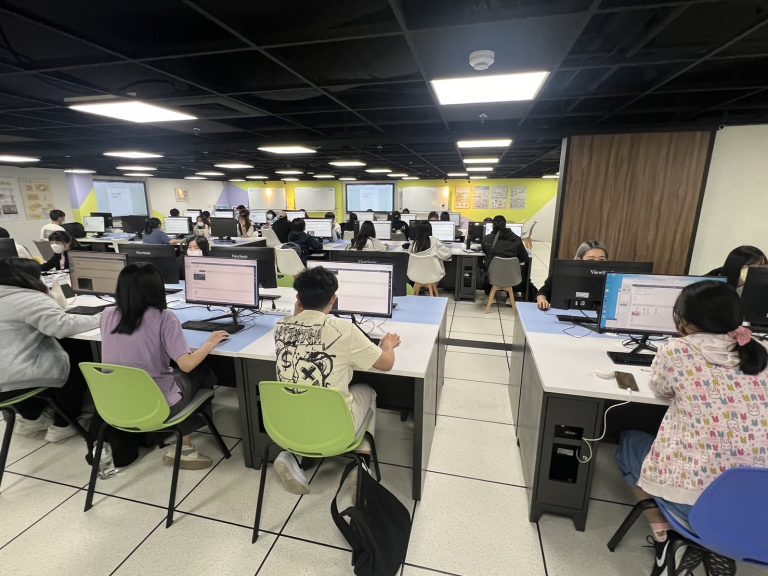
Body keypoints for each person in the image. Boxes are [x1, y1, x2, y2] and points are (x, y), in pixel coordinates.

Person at [615, 280, 768, 572]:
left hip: (700, 506)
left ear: (683, 320)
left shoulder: (676, 351)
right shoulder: (759, 350)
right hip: (759, 506)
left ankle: (664, 532)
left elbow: (662, 391)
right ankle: (717, 544)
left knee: (629, 442)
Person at [271, 266, 400, 494]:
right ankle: (361, 464)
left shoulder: (280, 326)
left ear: (298, 299)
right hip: (335, 426)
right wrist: (387, 344)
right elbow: (386, 364)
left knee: (304, 392)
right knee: (367, 390)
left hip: (286, 423)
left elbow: (298, 326)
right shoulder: (344, 330)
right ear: (333, 299)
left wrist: (296, 313)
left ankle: (292, 456)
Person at [100, 263, 230, 469]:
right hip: (155, 405)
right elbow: (186, 365)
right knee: (201, 370)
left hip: (114, 403)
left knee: (172, 375)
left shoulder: (107, 314)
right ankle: (185, 447)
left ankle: (180, 439)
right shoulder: (164, 317)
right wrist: (210, 342)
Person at [0, 257, 100, 442]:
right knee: (79, 358)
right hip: (12, 381)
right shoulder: (28, 298)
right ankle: (64, 423)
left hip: (4, 379)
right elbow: (63, 327)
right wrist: (103, 317)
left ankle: (32, 417)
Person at [536, 241, 608, 311]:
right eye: (591, 260)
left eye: (601, 260)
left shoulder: (610, 278)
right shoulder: (562, 272)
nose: (597, 263)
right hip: (564, 313)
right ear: (579, 259)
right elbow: (543, 292)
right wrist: (542, 300)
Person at [481, 215, 529, 296]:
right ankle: (515, 292)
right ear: (505, 225)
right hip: (512, 277)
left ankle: (489, 290)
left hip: (493, 277)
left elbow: (485, 251)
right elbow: (524, 257)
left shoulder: (486, 239)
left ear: (493, 226)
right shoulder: (517, 239)